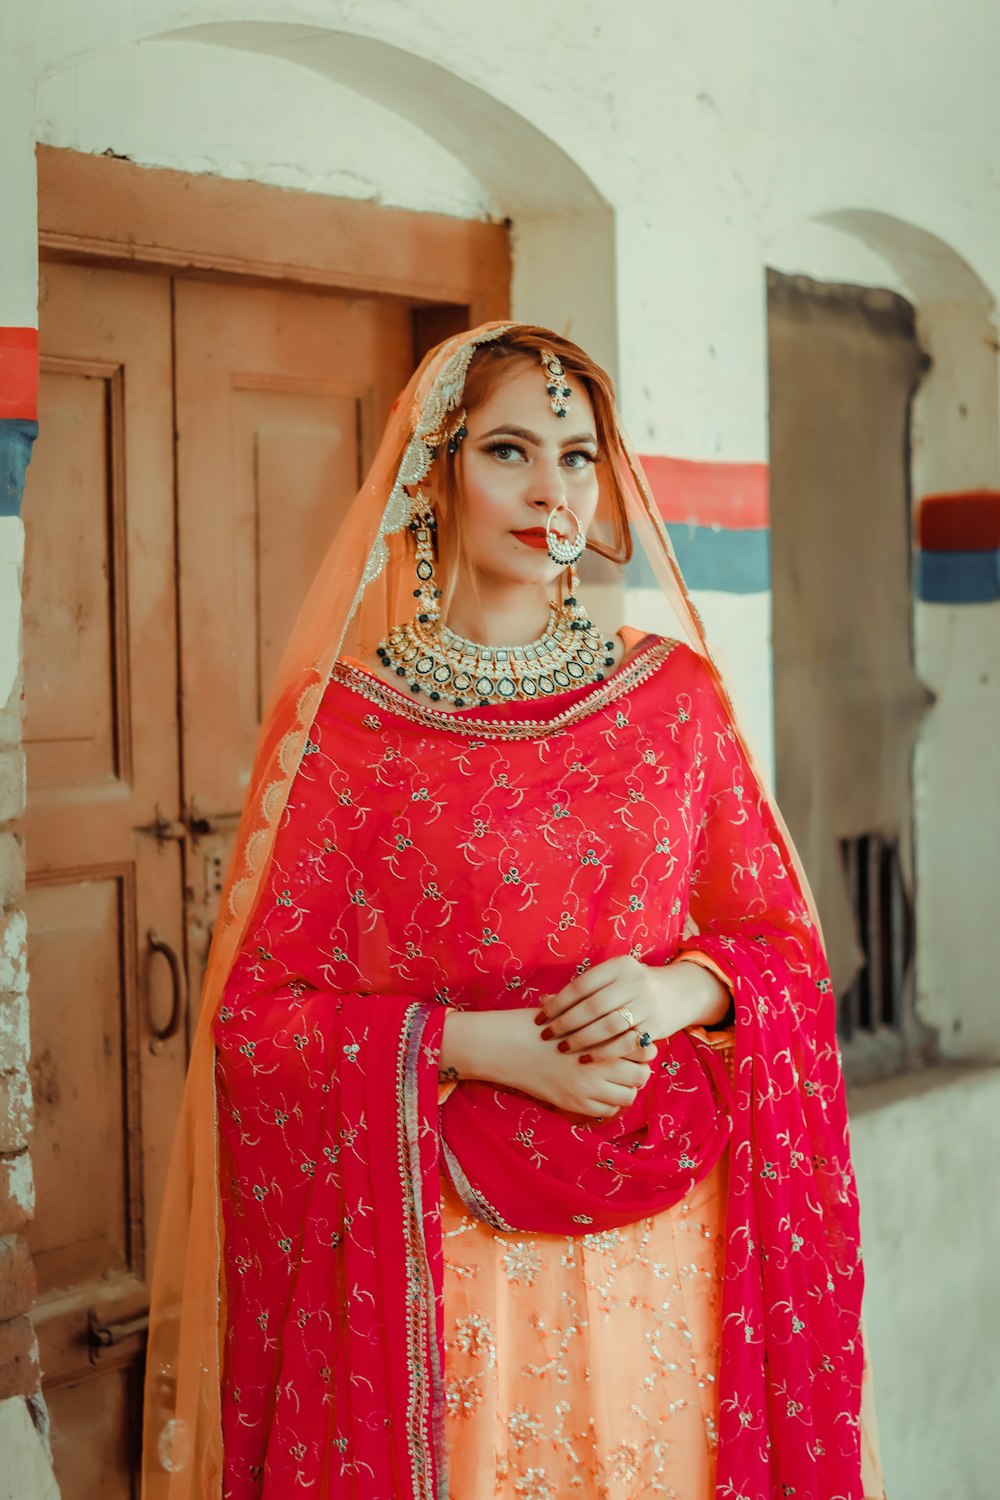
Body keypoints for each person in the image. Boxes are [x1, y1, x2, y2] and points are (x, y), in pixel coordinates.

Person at [142, 324, 885, 1500]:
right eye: (508, 451)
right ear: (435, 474)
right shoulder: (350, 731)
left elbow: (785, 950)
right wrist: (485, 1048)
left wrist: (672, 990)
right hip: (457, 1269)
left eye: (579, 456)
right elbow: (256, 1023)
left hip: (671, 1256)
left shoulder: (674, 702)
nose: (553, 492)